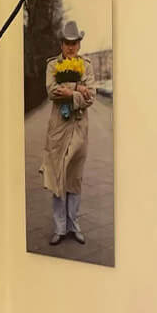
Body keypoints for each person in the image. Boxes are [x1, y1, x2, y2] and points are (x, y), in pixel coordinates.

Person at [40, 19, 96, 245]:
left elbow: (91, 96)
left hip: (79, 128)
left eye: (75, 42)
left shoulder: (87, 65)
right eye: (67, 42)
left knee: (74, 177)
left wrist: (73, 93)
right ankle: (59, 228)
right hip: (58, 128)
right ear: (61, 44)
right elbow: (52, 92)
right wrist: (77, 89)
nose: (71, 47)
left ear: (79, 44)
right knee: (56, 175)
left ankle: (74, 225)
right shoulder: (53, 65)